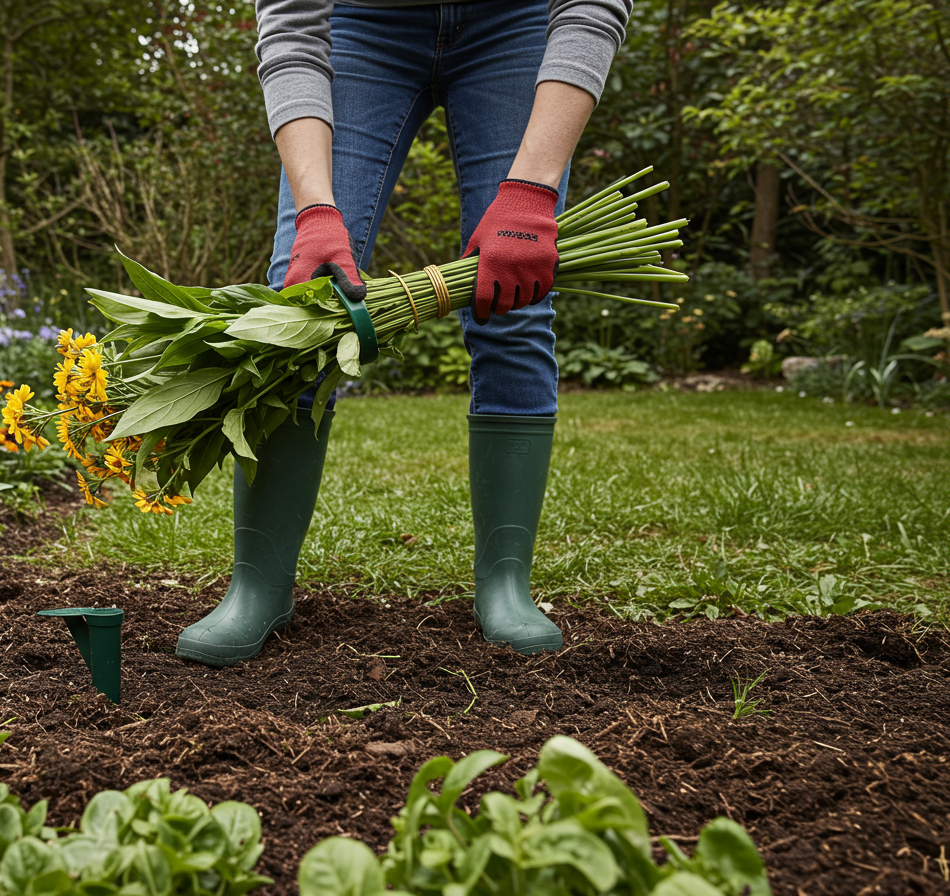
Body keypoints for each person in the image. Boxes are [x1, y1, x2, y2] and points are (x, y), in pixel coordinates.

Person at [176, 0, 634, 667]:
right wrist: (316, 210)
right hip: (360, 21)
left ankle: (506, 584)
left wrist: (532, 192)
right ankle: (258, 586)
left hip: (519, 19)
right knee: (303, 300)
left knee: (514, 298)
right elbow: (292, 27)